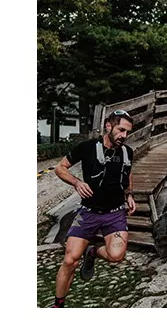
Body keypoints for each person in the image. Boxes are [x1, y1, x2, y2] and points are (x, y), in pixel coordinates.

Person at [50, 109, 137, 307]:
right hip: (88, 212)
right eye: (121, 130)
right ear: (109, 126)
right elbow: (59, 168)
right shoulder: (87, 147)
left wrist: (130, 195)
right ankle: (58, 305)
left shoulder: (127, 152)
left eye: (127, 132)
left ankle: (93, 253)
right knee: (70, 260)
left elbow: (129, 173)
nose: (124, 136)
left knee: (116, 256)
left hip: (115, 214)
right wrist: (77, 183)